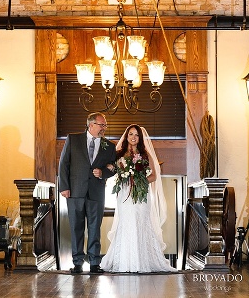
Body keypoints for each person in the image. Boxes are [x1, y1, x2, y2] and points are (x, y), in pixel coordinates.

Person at [100, 124, 176, 273]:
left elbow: (154, 175)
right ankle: (124, 261)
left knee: (140, 223)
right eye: (130, 134)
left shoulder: (145, 154)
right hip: (124, 194)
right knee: (126, 222)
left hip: (141, 194)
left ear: (140, 138)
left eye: (136, 135)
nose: (133, 137)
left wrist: (139, 180)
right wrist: (115, 171)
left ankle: (143, 261)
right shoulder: (119, 154)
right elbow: (112, 169)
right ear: (127, 136)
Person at [58, 112, 117, 273]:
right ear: (91, 125)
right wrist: (64, 187)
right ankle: (77, 263)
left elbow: (114, 167)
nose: (104, 128)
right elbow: (64, 164)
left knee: (94, 228)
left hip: (96, 193)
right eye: (101, 125)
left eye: (105, 125)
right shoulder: (73, 139)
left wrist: (103, 172)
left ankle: (94, 263)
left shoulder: (110, 146)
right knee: (76, 227)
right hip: (74, 191)